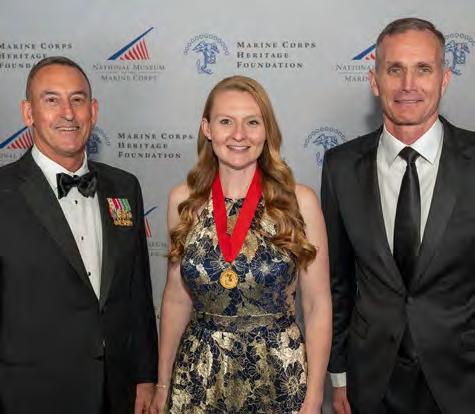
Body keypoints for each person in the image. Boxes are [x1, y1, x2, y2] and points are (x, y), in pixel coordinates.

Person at [150, 75, 331, 413]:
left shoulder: (299, 203)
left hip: (280, 377)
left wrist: (314, 396)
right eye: (225, 122)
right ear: (207, 128)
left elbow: (317, 305)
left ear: (267, 130)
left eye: (252, 122)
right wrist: (162, 384)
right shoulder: (183, 202)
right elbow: (175, 299)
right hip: (199, 378)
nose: (239, 134)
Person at [322, 17, 475, 414]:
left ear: (444, 79)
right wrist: (338, 374)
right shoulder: (340, 167)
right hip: (370, 381)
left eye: (423, 69)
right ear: (375, 81)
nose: (408, 84)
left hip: (463, 379)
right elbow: (336, 282)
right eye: (394, 69)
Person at [0, 56, 158, 414]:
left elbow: (137, 293)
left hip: (116, 392)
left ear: (93, 110)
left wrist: (145, 376)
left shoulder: (124, 187)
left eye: (78, 99)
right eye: (51, 100)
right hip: (27, 396)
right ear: (28, 113)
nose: (68, 113)